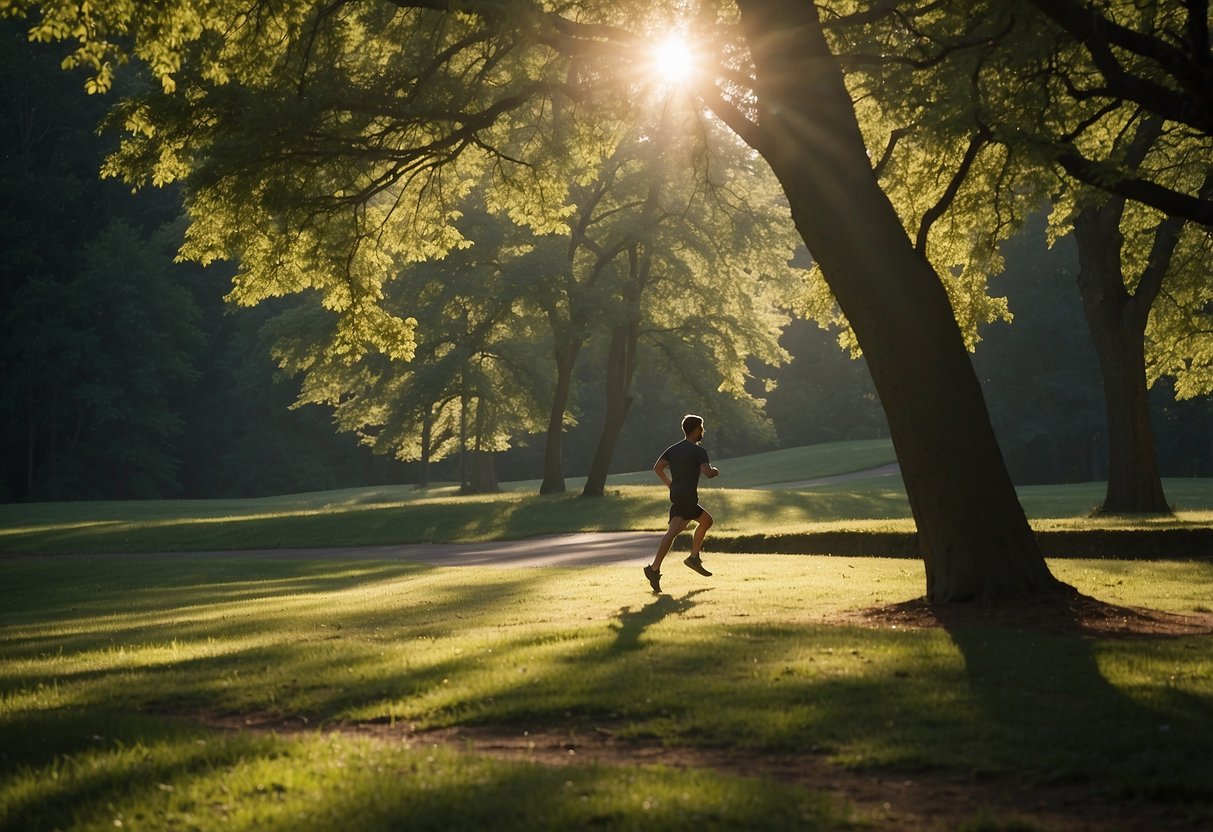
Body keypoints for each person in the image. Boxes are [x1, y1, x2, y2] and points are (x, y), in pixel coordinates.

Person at [644, 414, 719, 593]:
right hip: (686, 496)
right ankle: (654, 569)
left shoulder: (673, 449)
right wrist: (715, 471)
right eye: (701, 428)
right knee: (673, 531)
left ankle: (692, 557)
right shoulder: (698, 451)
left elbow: (658, 467)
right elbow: (707, 472)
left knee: (706, 521)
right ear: (695, 430)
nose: (703, 431)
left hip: (680, 494)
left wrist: (670, 484)